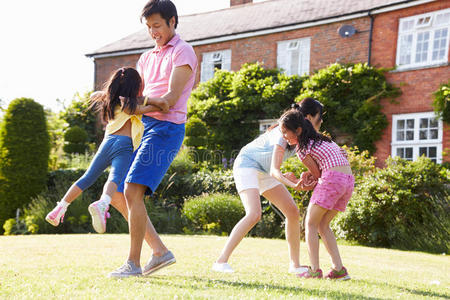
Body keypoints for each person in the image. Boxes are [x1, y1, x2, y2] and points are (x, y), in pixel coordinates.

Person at [108, 0, 198, 278]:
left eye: (157, 25)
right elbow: (135, 96)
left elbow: (169, 101)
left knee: (132, 190)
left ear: (172, 22)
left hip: (166, 129)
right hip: (140, 126)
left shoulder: (183, 52)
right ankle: (159, 252)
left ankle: (133, 264)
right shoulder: (146, 58)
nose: (153, 32)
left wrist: (138, 104)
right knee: (116, 194)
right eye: (148, 27)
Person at [45, 67, 168, 233]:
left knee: (87, 176)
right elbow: (162, 105)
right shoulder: (135, 102)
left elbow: (93, 95)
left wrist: (109, 94)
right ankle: (103, 203)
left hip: (107, 142)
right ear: (135, 86)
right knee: (115, 177)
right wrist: (151, 102)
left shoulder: (112, 101)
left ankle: (60, 207)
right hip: (124, 144)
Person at [212, 105, 317, 274]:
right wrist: (292, 184)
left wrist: (295, 177)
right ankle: (220, 261)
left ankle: (295, 266)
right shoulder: (283, 135)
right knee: (254, 213)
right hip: (247, 164)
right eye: (318, 118)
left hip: (264, 171)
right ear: (307, 118)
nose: (318, 123)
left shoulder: (300, 139)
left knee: (292, 211)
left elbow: (276, 168)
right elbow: (275, 170)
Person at [279, 101, 353, 280]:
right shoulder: (323, 140)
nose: (283, 137)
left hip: (333, 179)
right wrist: (308, 177)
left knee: (310, 224)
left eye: (285, 132)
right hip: (348, 181)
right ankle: (338, 269)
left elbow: (319, 175)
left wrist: (301, 181)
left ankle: (314, 269)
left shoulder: (302, 149)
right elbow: (323, 172)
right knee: (322, 224)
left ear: (297, 130)